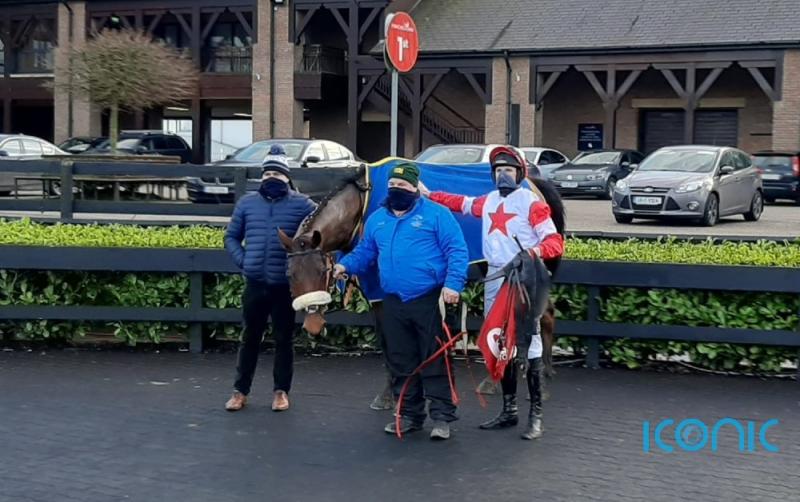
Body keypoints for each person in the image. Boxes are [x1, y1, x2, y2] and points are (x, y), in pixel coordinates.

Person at [420, 146, 564, 440]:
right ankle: (509, 410)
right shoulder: (489, 201)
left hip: (524, 280)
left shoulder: (532, 204)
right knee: (501, 344)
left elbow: (554, 243)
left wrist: (532, 252)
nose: (503, 176)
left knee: (531, 344)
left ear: (520, 173)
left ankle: (536, 416)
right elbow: (460, 203)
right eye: (498, 171)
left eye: (508, 170)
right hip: (496, 278)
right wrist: (429, 194)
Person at [333, 162, 469, 440]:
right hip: (393, 301)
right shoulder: (377, 219)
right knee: (400, 358)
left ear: (415, 188)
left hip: (430, 299)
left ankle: (441, 416)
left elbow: (457, 250)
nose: (397, 189)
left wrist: (453, 284)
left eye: (403, 185)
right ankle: (409, 414)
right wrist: (345, 265)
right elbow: (366, 251)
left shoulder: (437, 214)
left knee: (435, 358)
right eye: (393, 185)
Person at [224, 158, 316, 413]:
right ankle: (240, 391)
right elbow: (231, 237)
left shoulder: (303, 204)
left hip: (285, 286)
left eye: (277, 173)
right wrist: (244, 262)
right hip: (255, 283)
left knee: (284, 340)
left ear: (287, 177)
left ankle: (281, 392)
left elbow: (321, 230)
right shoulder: (247, 203)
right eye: (266, 174)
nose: (271, 177)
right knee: (249, 338)